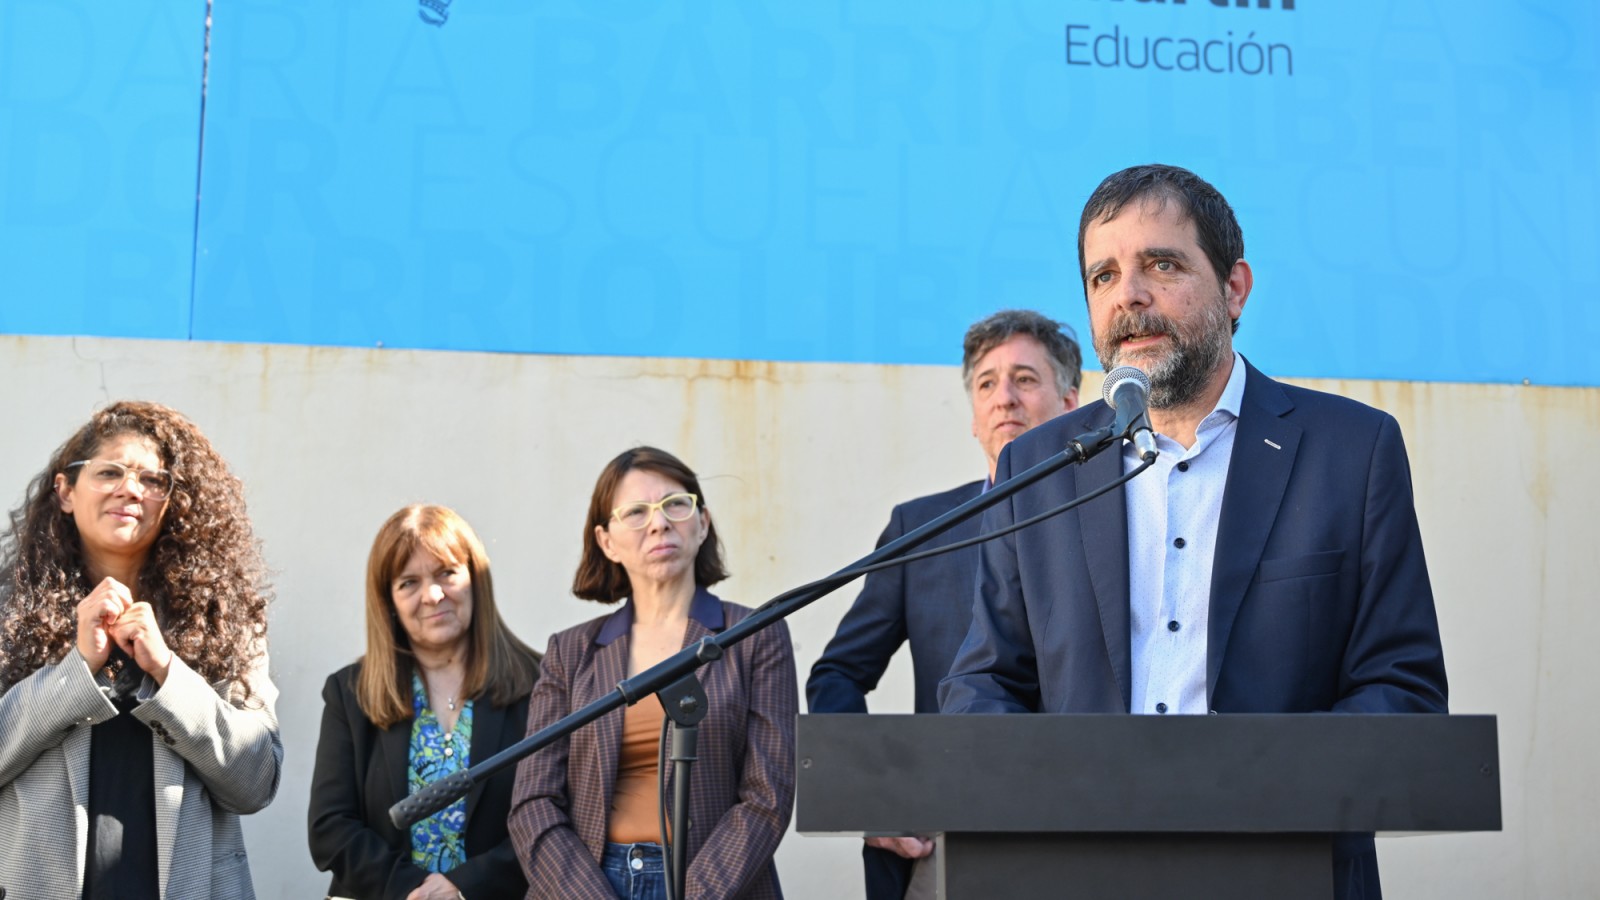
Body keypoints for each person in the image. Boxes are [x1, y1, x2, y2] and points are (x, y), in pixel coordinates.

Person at [938, 164, 1448, 899]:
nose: (1129, 297)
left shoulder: (1351, 451)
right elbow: (984, 681)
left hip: (1287, 868)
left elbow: (1401, 687)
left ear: (1235, 288)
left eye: (1162, 265)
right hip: (1078, 870)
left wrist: (1249, 783)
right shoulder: (1037, 466)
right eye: (1104, 276)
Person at [805, 309, 1081, 900]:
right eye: (987, 383)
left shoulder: (1120, 521)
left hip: (1087, 830)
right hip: (946, 841)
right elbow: (837, 675)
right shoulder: (921, 529)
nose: (1004, 397)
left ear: (1071, 401)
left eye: (1026, 379)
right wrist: (874, 799)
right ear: (975, 418)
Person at [0, 400, 281, 898]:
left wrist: (168, 672)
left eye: (153, 480)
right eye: (110, 472)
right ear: (65, 491)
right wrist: (76, 673)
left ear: (174, 503)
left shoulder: (224, 618)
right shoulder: (10, 612)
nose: (131, 489)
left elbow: (255, 781)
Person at [509, 447, 796, 900]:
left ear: (702, 523)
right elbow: (533, 804)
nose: (659, 523)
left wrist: (692, 894)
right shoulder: (569, 653)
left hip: (716, 887)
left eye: (675, 504)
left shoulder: (755, 637)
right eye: (636, 513)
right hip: (589, 885)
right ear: (607, 541)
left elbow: (768, 797)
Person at [309, 504, 542, 899]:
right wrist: (412, 890)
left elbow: (553, 814)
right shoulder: (350, 694)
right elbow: (331, 827)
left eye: (446, 573)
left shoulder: (541, 682)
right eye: (408, 583)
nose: (433, 595)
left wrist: (464, 887)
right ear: (389, 602)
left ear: (475, 579)